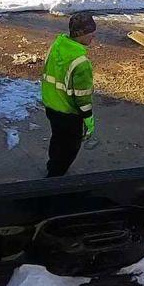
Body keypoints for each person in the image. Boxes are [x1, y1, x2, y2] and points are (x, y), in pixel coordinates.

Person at [41, 13, 96, 177]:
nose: (94, 37)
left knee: (57, 138)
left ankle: (52, 165)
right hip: (68, 113)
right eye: (91, 34)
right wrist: (88, 119)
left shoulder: (57, 46)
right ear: (81, 34)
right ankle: (55, 179)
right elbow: (82, 97)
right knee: (70, 147)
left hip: (51, 105)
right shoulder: (81, 62)